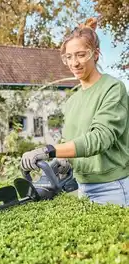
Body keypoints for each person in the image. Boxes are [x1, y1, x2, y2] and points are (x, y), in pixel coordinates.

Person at [21, 17, 129, 207]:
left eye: (80, 55)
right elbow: (73, 141)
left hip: (113, 187)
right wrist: (64, 160)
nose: (74, 63)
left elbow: (100, 138)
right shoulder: (72, 100)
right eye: (69, 57)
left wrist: (49, 151)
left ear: (95, 54)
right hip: (83, 187)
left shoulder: (113, 88)